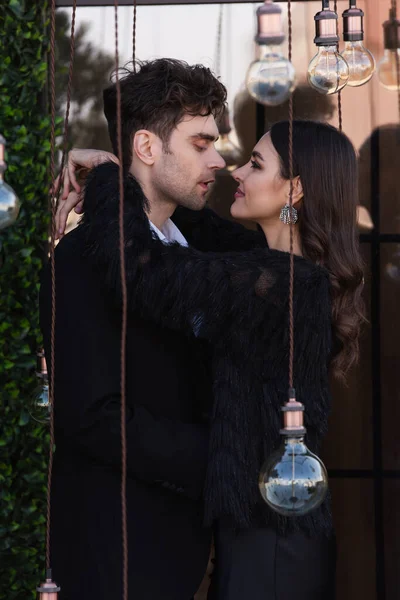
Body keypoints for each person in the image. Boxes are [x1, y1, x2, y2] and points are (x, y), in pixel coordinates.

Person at [58, 118, 365, 599]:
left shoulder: (282, 285)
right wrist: (133, 172)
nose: (235, 172)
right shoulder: (280, 268)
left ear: (296, 189)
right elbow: (195, 223)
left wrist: (109, 184)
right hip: (266, 534)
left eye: (256, 164)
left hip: (273, 552)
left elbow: (143, 272)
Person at [40, 58, 256, 600]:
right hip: (116, 553)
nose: (219, 158)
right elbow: (89, 417)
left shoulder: (199, 251)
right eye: (201, 142)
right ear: (146, 147)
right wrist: (220, 457)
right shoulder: (84, 259)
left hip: (192, 550)